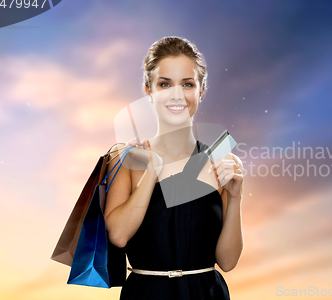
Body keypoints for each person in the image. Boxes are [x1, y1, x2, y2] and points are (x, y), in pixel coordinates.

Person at [103, 36, 244, 300]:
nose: (176, 94)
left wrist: (235, 197)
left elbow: (227, 262)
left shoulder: (218, 159)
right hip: (147, 295)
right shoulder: (127, 157)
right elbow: (119, 236)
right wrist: (151, 171)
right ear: (149, 90)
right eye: (165, 84)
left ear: (201, 91)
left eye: (187, 84)